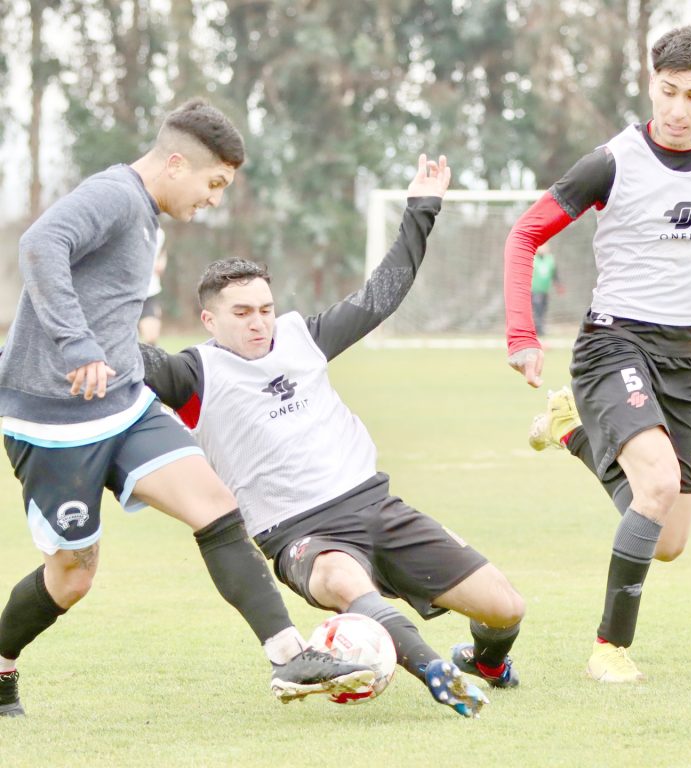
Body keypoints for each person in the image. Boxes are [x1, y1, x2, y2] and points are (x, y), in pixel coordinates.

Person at [0, 99, 374, 719]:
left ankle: (289, 656)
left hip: (122, 406)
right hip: (52, 419)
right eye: (213, 183)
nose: (214, 199)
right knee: (71, 576)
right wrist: (76, 345)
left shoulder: (148, 217)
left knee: (215, 507)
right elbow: (41, 244)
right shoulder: (116, 196)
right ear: (176, 163)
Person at [139, 154, 526, 719]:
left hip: (377, 505)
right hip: (299, 534)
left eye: (265, 308)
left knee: (505, 607)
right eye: (242, 312)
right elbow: (119, 359)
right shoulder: (191, 374)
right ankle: (433, 670)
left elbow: (383, 294)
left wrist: (422, 207)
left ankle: (487, 663)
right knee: (347, 581)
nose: (258, 322)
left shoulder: (305, 338)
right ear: (209, 321)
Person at [503, 26, 691, 683]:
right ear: (651, 83)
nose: (677, 109)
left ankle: (570, 430)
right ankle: (609, 647)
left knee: (669, 538)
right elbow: (525, 234)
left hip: (686, 356)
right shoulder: (612, 161)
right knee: (654, 484)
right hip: (612, 343)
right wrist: (521, 335)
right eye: (667, 91)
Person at [138, 226, 167, 345]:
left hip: (150, 292)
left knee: (152, 337)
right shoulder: (129, 225)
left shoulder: (160, 233)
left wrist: (161, 263)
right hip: (126, 291)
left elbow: (162, 254)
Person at [531, 244, 564, 336]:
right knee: (537, 309)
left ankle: (540, 328)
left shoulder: (550, 259)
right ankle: (538, 330)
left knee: (543, 309)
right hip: (534, 289)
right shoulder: (533, 258)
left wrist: (558, 285)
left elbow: (554, 274)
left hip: (544, 290)